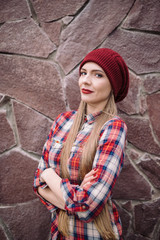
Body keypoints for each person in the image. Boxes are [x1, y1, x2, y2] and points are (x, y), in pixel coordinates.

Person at [33, 48, 129, 240]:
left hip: (94, 235)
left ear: (113, 85)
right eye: (83, 73)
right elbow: (38, 186)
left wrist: (48, 174)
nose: (85, 80)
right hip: (59, 233)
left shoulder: (114, 128)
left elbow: (87, 206)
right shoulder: (63, 121)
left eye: (98, 75)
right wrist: (75, 196)